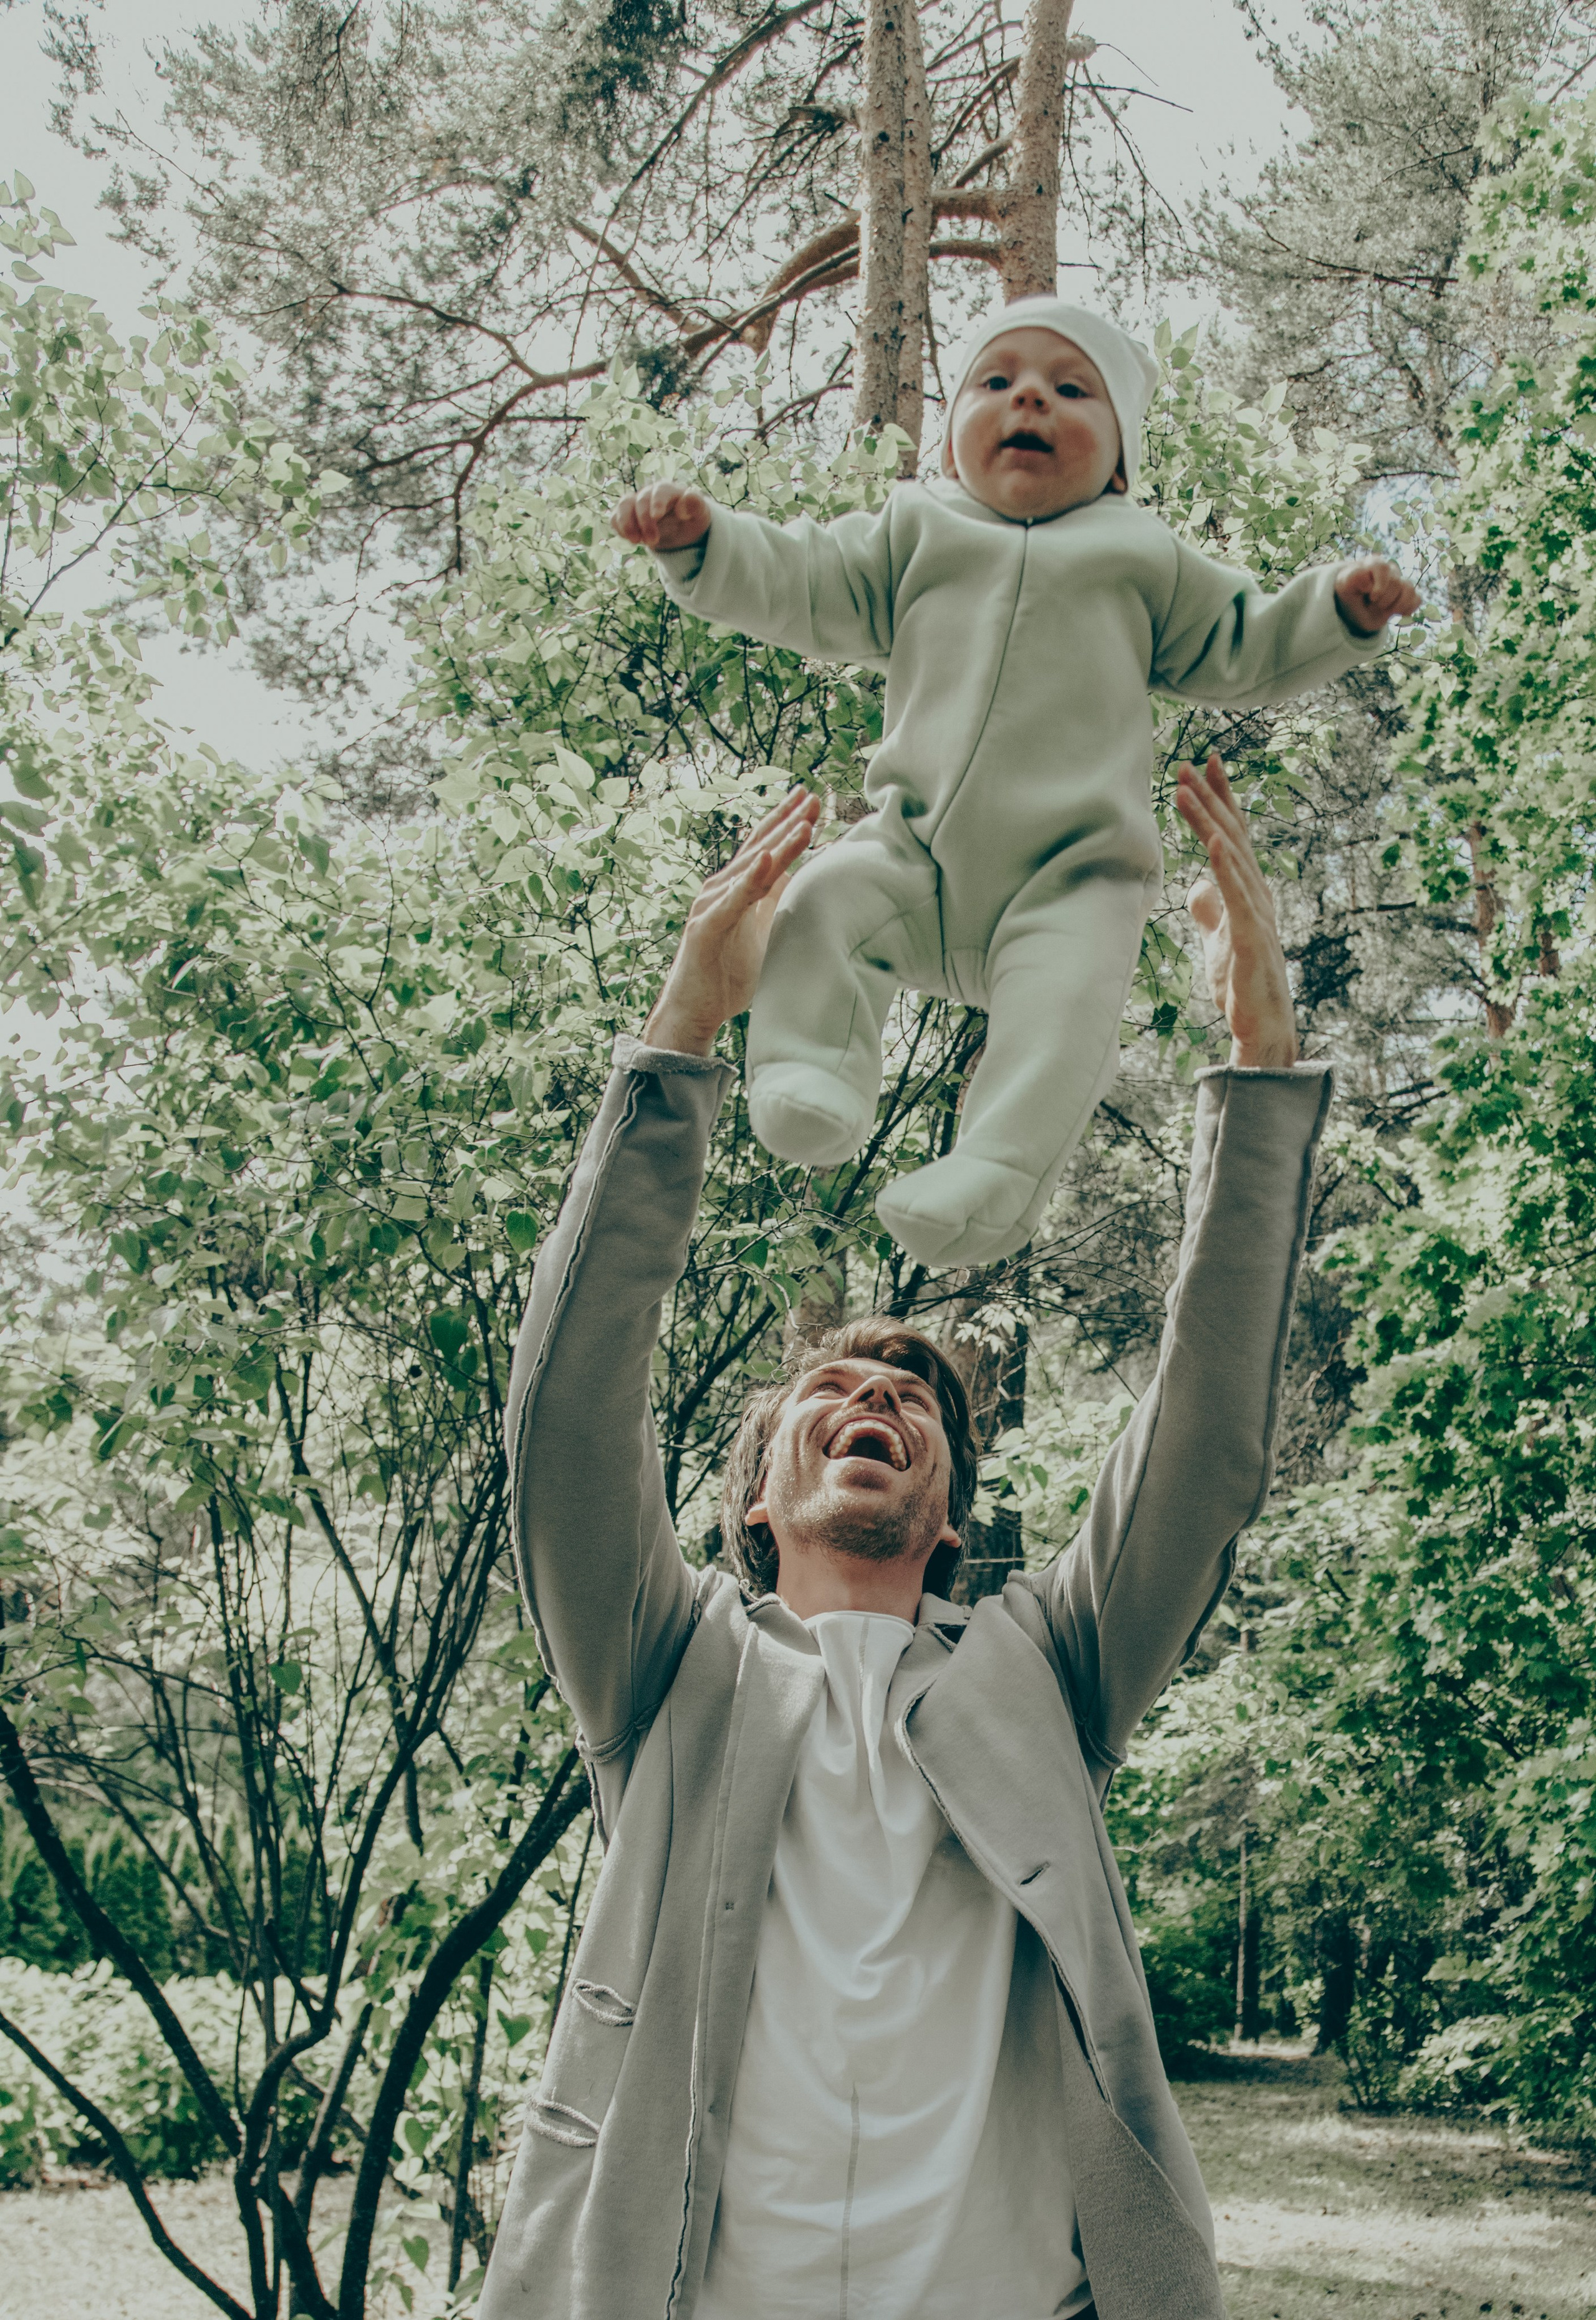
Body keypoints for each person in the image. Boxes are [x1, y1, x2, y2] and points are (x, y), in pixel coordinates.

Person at [478, 753, 1330, 2320]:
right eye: (831, 1390)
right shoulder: (668, 1666)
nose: (870, 1400)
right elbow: (564, 1421)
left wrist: (1259, 1067)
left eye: (907, 1401)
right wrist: (680, 1036)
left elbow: (1204, 1445)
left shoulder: (1045, 1664)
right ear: (751, 1498)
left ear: (946, 1510)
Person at [612, 297, 1416, 1271]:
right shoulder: (912, 531)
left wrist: (1336, 612)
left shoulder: (1143, 555)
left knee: (1064, 1020)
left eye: (1071, 389)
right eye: (996, 381)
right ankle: (809, 1070)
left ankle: (993, 1172)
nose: (1028, 394)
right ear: (951, 442)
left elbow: (1243, 639)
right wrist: (706, 544)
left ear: (1119, 462)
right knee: (822, 903)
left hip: (1069, 880)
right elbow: (804, 578)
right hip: (911, 853)